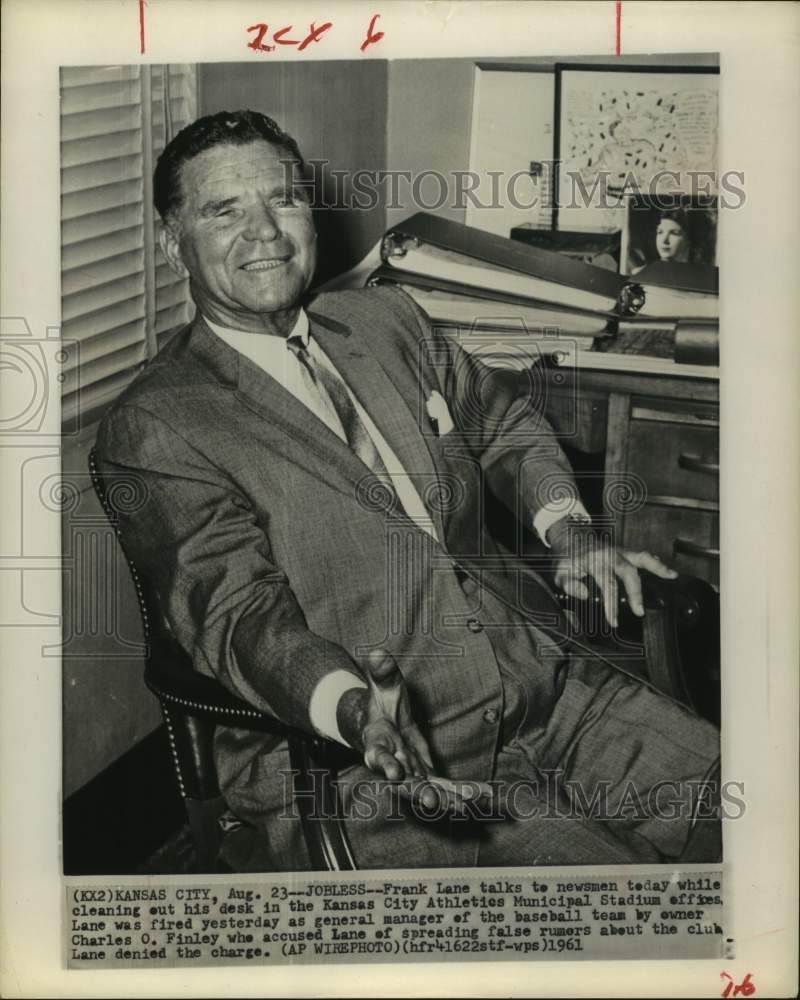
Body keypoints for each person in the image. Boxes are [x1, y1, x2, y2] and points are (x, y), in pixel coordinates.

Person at [96, 110, 720, 872]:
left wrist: (570, 530)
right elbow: (239, 614)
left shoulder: (383, 316)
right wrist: (355, 710)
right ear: (173, 243)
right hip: (369, 767)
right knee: (626, 918)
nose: (266, 232)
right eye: (225, 211)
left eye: (284, 200)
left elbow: (503, 423)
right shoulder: (160, 422)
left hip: (544, 687)